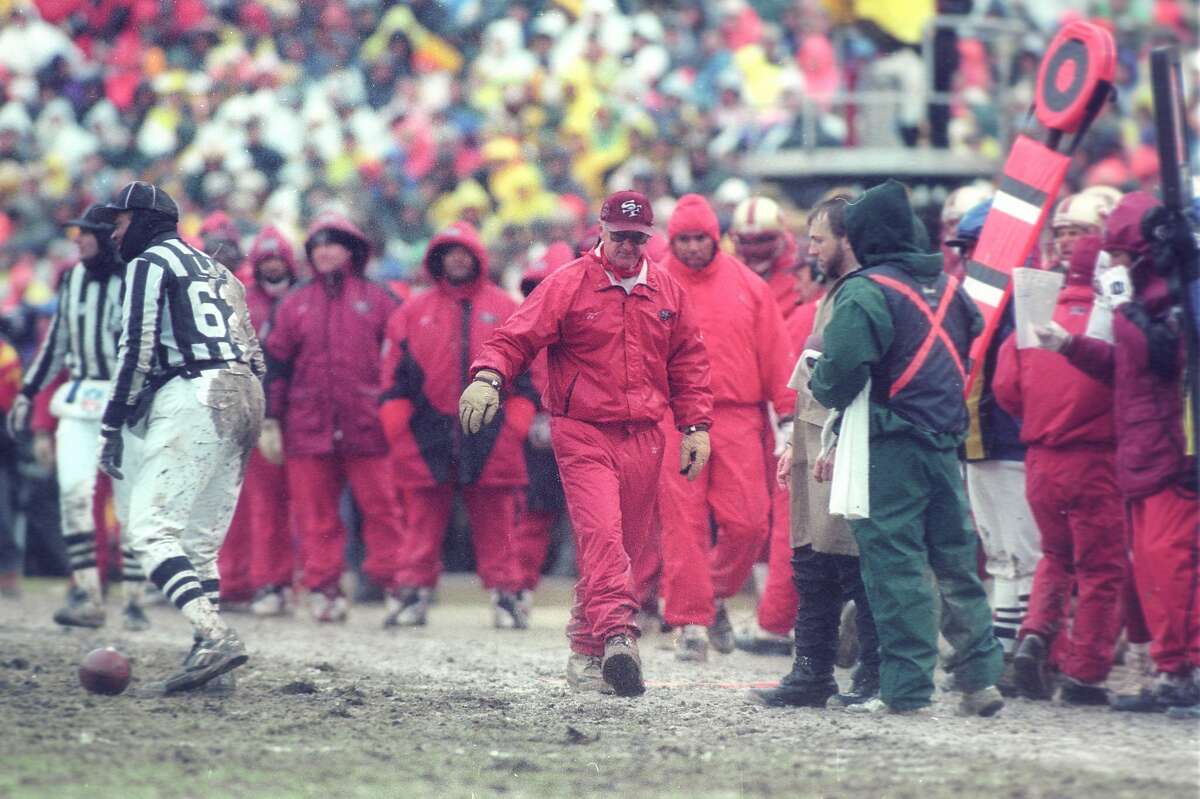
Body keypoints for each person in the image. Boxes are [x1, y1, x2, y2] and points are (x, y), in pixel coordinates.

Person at [462, 190, 713, 697]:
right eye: (618, 236)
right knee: (602, 536)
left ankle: (584, 652)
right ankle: (619, 636)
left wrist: (695, 426)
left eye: (636, 238)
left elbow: (688, 361)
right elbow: (514, 337)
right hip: (582, 429)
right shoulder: (567, 284)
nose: (626, 246)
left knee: (627, 547)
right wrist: (488, 376)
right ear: (601, 230)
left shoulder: (666, 291)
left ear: (648, 238)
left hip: (644, 432)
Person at [809, 179, 1005, 716]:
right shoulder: (949, 287)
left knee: (897, 571)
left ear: (867, 236)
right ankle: (980, 679)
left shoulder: (865, 290)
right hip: (945, 444)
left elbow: (841, 371)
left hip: (888, 447)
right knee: (957, 565)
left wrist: (819, 384)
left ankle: (906, 688)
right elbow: (970, 336)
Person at [1033, 192, 1199, 715]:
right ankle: (1172, 671)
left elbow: (1160, 354)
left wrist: (1124, 305)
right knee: (1152, 568)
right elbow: (1130, 366)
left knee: (1175, 566)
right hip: (1146, 449)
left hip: (1172, 450)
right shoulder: (1159, 291)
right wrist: (1071, 345)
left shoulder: (1180, 293)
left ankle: (1186, 670)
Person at [96, 181, 264, 693]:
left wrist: (113, 421)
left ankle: (213, 636)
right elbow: (255, 353)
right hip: (246, 390)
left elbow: (137, 345)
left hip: (196, 389)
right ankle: (209, 663)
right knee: (200, 544)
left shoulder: (150, 263)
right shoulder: (219, 268)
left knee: (150, 530)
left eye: (119, 222)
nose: (114, 233)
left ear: (144, 219)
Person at [751, 196, 882, 708]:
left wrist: (824, 439)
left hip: (837, 439)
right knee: (810, 560)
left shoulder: (858, 294)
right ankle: (812, 672)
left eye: (820, 239)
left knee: (849, 561)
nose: (810, 250)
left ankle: (869, 673)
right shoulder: (838, 292)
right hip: (814, 438)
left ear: (847, 240)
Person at [656, 193, 795, 663]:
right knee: (683, 524)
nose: (692, 247)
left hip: (737, 414)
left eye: (700, 238)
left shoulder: (746, 286)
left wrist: (788, 409)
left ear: (716, 238)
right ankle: (690, 622)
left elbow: (776, 353)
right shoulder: (653, 283)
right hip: (673, 416)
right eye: (684, 239)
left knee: (749, 521)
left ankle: (710, 595)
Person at [993, 234, 1128, 705]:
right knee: (1100, 569)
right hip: (1097, 461)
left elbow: (1005, 388)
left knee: (1055, 556)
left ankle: (1034, 637)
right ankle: (1084, 676)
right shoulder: (1114, 320)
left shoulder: (1033, 318)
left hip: (1040, 459)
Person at [6, 204, 150, 630]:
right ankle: (87, 591)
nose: (79, 240)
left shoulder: (133, 278)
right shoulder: (71, 279)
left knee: (130, 505)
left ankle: (136, 598)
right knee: (73, 493)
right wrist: (29, 393)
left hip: (124, 401)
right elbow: (56, 345)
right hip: (81, 397)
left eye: (87, 233)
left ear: (107, 238)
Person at [381, 221, 529, 629]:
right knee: (421, 524)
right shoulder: (412, 312)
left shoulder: (505, 308)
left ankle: (507, 596)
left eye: (465, 251)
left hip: (493, 431)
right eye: (450, 251)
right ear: (438, 258)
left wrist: (514, 427)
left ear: (477, 258)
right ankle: (411, 593)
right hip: (428, 433)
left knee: (498, 522)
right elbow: (393, 381)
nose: (458, 258)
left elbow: (529, 376)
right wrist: (400, 432)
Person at [263, 211, 404, 624]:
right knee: (315, 515)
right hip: (306, 428)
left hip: (367, 425)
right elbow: (274, 366)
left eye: (333, 243)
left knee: (383, 509)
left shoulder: (381, 299)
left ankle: (396, 585)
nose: (324, 251)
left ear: (352, 250)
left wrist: (393, 412)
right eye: (318, 245)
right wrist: (271, 419)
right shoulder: (293, 304)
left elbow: (403, 361)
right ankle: (324, 589)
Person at [952, 200, 1040, 691]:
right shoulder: (976, 295)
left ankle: (1022, 648)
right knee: (1001, 550)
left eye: (972, 248)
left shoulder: (1026, 294)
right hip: (979, 439)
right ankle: (1003, 647)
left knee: (1022, 550)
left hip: (1012, 436)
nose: (967, 259)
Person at [216, 226, 298, 616]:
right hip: (249, 411)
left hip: (295, 413)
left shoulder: (300, 301)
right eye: (265, 260)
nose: (272, 266)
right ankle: (241, 581)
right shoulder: (243, 301)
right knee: (250, 504)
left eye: (277, 259)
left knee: (290, 508)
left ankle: (278, 581)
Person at [1049, 193, 1110, 272]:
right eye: (1060, 234)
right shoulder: (1051, 275)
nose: (1064, 241)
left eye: (1073, 233)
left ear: (1097, 233)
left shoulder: (1112, 277)